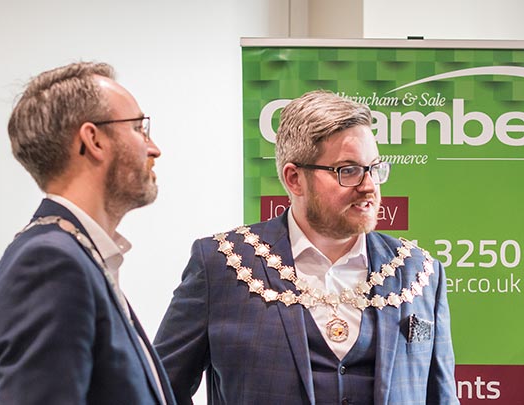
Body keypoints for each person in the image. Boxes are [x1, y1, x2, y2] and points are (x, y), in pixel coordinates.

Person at [154, 90, 457, 404]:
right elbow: (158, 389)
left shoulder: (419, 272)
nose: (369, 186)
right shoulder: (223, 264)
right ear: (294, 179)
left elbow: (442, 396)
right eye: (348, 170)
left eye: (374, 169)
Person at [0, 62, 175, 405]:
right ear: (93, 140)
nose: (154, 148)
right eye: (139, 128)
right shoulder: (49, 265)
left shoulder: (77, 257)